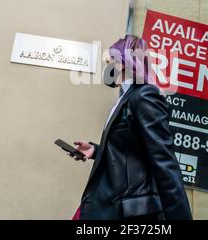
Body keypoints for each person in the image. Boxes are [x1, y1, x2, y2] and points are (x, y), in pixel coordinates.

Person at [70, 35, 192, 220]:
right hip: (106, 202)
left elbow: (163, 160)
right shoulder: (125, 97)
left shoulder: (145, 95)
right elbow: (130, 149)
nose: (107, 67)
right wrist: (95, 150)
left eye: (109, 61)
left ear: (123, 62)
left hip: (126, 209)